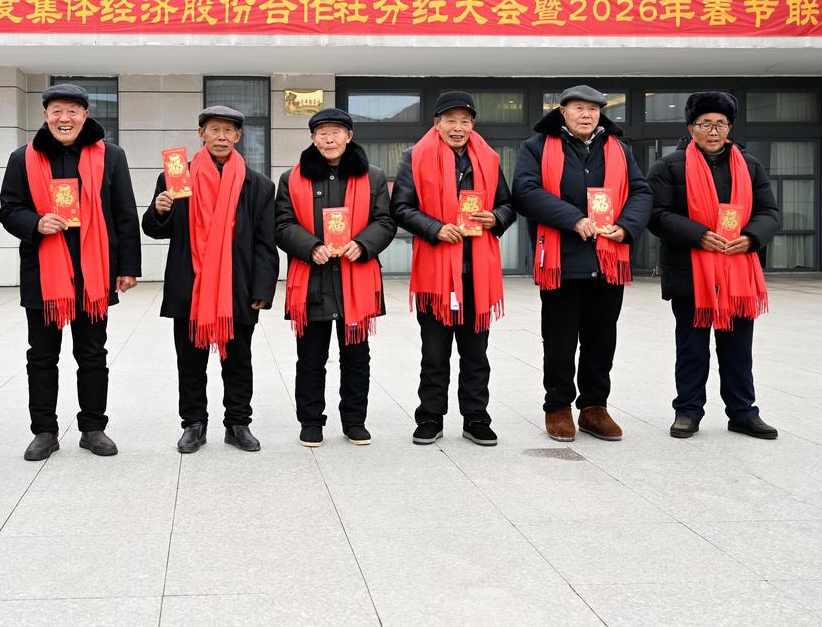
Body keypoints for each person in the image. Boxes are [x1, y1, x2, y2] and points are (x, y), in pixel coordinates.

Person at [0, 83, 141, 460]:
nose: (65, 118)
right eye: (57, 111)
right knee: (41, 356)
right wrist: (35, 223)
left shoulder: (110, 156)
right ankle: (44, 431)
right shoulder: (22, 158)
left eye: (73, 111)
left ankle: (93, 428)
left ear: (85, 115)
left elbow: (124, 212)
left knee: (92, 354)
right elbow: (8, 210)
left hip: (94, 273)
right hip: (43, 274)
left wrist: (128, 267)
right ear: (46, 115)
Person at [512, 85, 653, 442]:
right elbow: (525, 192)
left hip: (609, 259)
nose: (586, 114)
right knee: (559, 339)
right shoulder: (537, 146)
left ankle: (594, 407)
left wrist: (627, 226)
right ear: (562, 111)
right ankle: (558, 406)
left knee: (601, 338)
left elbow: (641, 191)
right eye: (578, 108)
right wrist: (572, 219)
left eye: (593, 108)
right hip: (562, 259)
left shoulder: (618, 148)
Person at [141, 106, 279, 454]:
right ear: (201, 134)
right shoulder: (176, 177)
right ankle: (194, 424)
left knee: (239, 361)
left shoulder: (258, 185)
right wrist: (159, 210)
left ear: (238, 137)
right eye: (214, 130)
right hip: (191, 284)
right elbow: (156, 230)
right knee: (190, 362)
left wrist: (263, 288)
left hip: (237, 285)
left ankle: (238, 423)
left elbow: (265, 242)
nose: (221, 137)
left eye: (228, 131)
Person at [647, 92, 780, 439]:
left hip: (738, 271)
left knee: (738, 349)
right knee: (691, 348)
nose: (713, 131)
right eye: (705, 124)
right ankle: (688, 411)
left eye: (720, 124)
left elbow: (769, 212)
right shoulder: (668, 166)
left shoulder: (750, 165)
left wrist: (751, 238)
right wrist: (699, 235)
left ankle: (742, 412)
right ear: (691, 128)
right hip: (690, 271)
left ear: (730, 128)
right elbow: (656, 215)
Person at [391, 92, 515, 446]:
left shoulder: (488, 159)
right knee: (434, 353)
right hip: (436, 273)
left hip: (477, 272)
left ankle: (476, 418)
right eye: (450, 120)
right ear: (437, 124)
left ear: (472, 124)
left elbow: (508, 204)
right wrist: (435, 228)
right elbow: (400, 207)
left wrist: (495, 217)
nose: (457, 127)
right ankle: (430, 417)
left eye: (464, 121)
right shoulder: (415, 156)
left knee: (476, 353)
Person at [275, 108, 395, 447]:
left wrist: (364, 244)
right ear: (312, 138)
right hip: (312, 280)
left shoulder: (372, 176)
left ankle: (354, 421)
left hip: (356, 280)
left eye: (336, 132)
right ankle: (311, 421)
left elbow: (385, 221)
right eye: (322, 133)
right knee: (310, 359)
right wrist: (310, 246)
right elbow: (281, 224)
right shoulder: (292, 178)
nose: (329, 139)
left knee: (356, 358)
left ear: (349, 136)